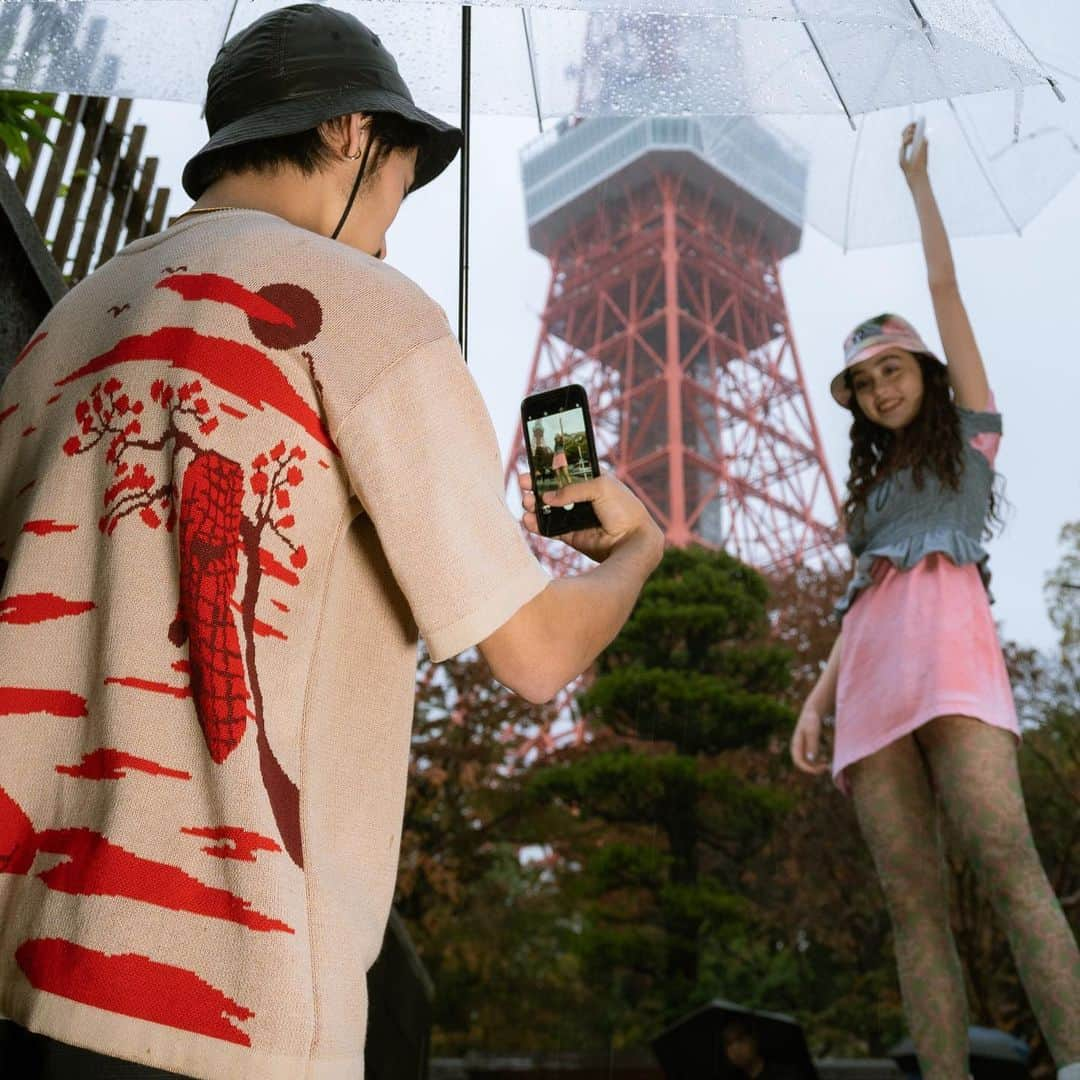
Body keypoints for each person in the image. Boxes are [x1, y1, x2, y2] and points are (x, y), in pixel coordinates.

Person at [0, 6, 663, 1078]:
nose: (394, 229)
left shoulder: (60, 332)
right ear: (353, 133)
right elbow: (537, 655)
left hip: (23, 962)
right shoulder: (365, 308)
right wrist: (638, 555)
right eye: (401, 181)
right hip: (223, 995)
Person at [789, 124, 1080, 1080]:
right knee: (911, 910)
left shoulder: (969, 446)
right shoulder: (868, 497)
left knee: (1007, 858)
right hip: (871, 685)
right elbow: (860, 602)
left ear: (927, 375)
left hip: (954, 666)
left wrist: (918, 186)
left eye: (893, 369)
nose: (879, 388)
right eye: (865, 381)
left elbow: (947, 297)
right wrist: (816, 699)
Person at [720, 1017, 806, 1080]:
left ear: (754, 1039)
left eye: (740, 1039)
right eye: (728, 1043)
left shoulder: (786, 1075)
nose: (735, 1048)